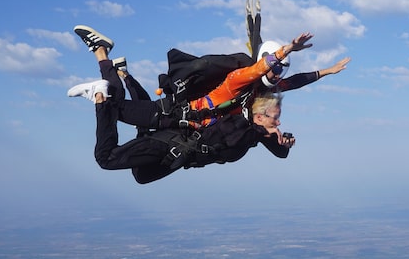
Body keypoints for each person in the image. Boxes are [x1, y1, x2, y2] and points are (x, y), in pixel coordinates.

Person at [71, 54, 295, 184]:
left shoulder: (254, 131)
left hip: (177, 155)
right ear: (259, 115)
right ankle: (101, 96)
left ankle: (124, 75)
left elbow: (280, 153)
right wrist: (284, 53)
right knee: (106, 159)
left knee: (141, 175)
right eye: (275, 118)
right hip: (171, 144)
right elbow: (242, 134)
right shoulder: (241, 126)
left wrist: (280, 142)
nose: (278, 123)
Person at [72, 25, 313, 129]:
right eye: (276, 66)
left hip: (181, 118)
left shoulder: (257, 94)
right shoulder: (239, 81)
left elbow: (294, 82)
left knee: (132, 112)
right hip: (178, 112)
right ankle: (101, 53)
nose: (277, 73)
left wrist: (326, 71)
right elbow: (260, 69)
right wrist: (288, 49)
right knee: (117, 109)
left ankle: (116, 68)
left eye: (280, 69)